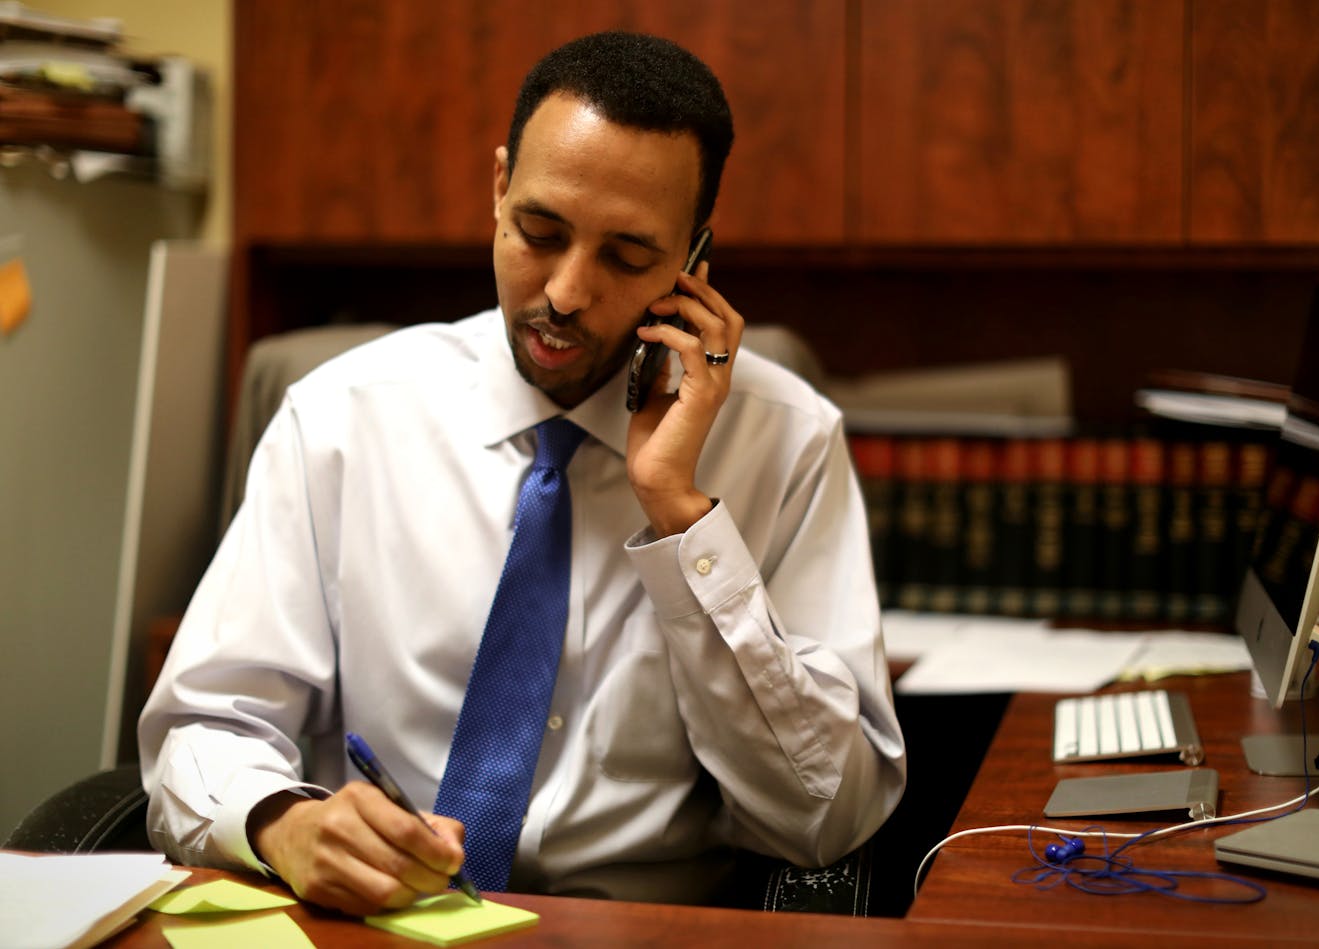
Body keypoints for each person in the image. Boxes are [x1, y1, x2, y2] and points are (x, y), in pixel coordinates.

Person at [139, 30, 905, 915]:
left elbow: (826, 818)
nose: (567, 293)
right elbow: (204, 723)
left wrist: (683, 519)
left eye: (626, 256)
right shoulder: (343, 418)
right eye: (539, 232)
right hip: (384, 923)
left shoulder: (789, 441)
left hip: (642, 931)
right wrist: (281, 820)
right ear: (497, 187)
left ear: (695, 260)